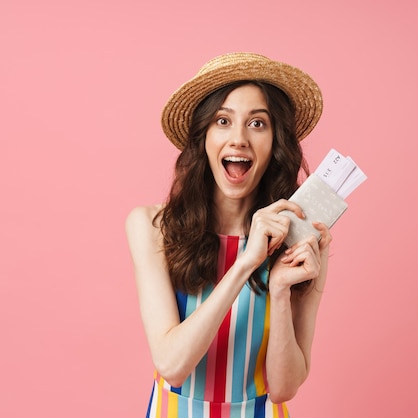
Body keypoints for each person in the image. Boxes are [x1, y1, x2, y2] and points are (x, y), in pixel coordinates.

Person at [125, 52, 331, 418]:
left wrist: (281, 291)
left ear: (276, 142)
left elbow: (284, 388)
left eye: (257, 124)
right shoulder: (153, 227)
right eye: (223, 121)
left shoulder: (300, 235)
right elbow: (172, 365)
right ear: (203, 137)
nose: (238, 139)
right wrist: (247, 263)